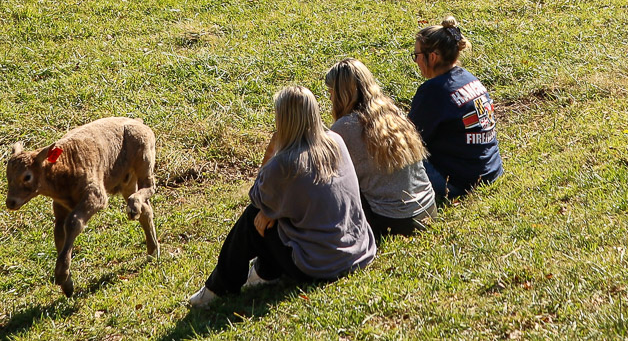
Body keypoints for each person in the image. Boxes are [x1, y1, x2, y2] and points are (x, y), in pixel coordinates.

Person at [186, 86, 375, 309]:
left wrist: (271, 152)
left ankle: (218, 288)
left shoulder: (285, 164)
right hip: (357, 252)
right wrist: (272, 210)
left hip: (321, 266)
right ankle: (265, 273)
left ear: (284, 120)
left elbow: (257, 196)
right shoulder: (335, 141)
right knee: (273, 214)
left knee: (252, 218)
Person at [324, 59, 437, 238]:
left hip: (395, 221)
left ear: (341, 94)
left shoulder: (344, 127)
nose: (330, 99)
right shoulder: (394, 112)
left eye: (331, 93)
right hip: (428, 209)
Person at [408, 16, 503, 201]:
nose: (416, 62)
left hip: (459, 183)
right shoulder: (470, 79)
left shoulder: (434, 91)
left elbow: (408, 140)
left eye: (417, 56)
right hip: (491, 172)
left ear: (433, 57)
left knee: (397, 157)